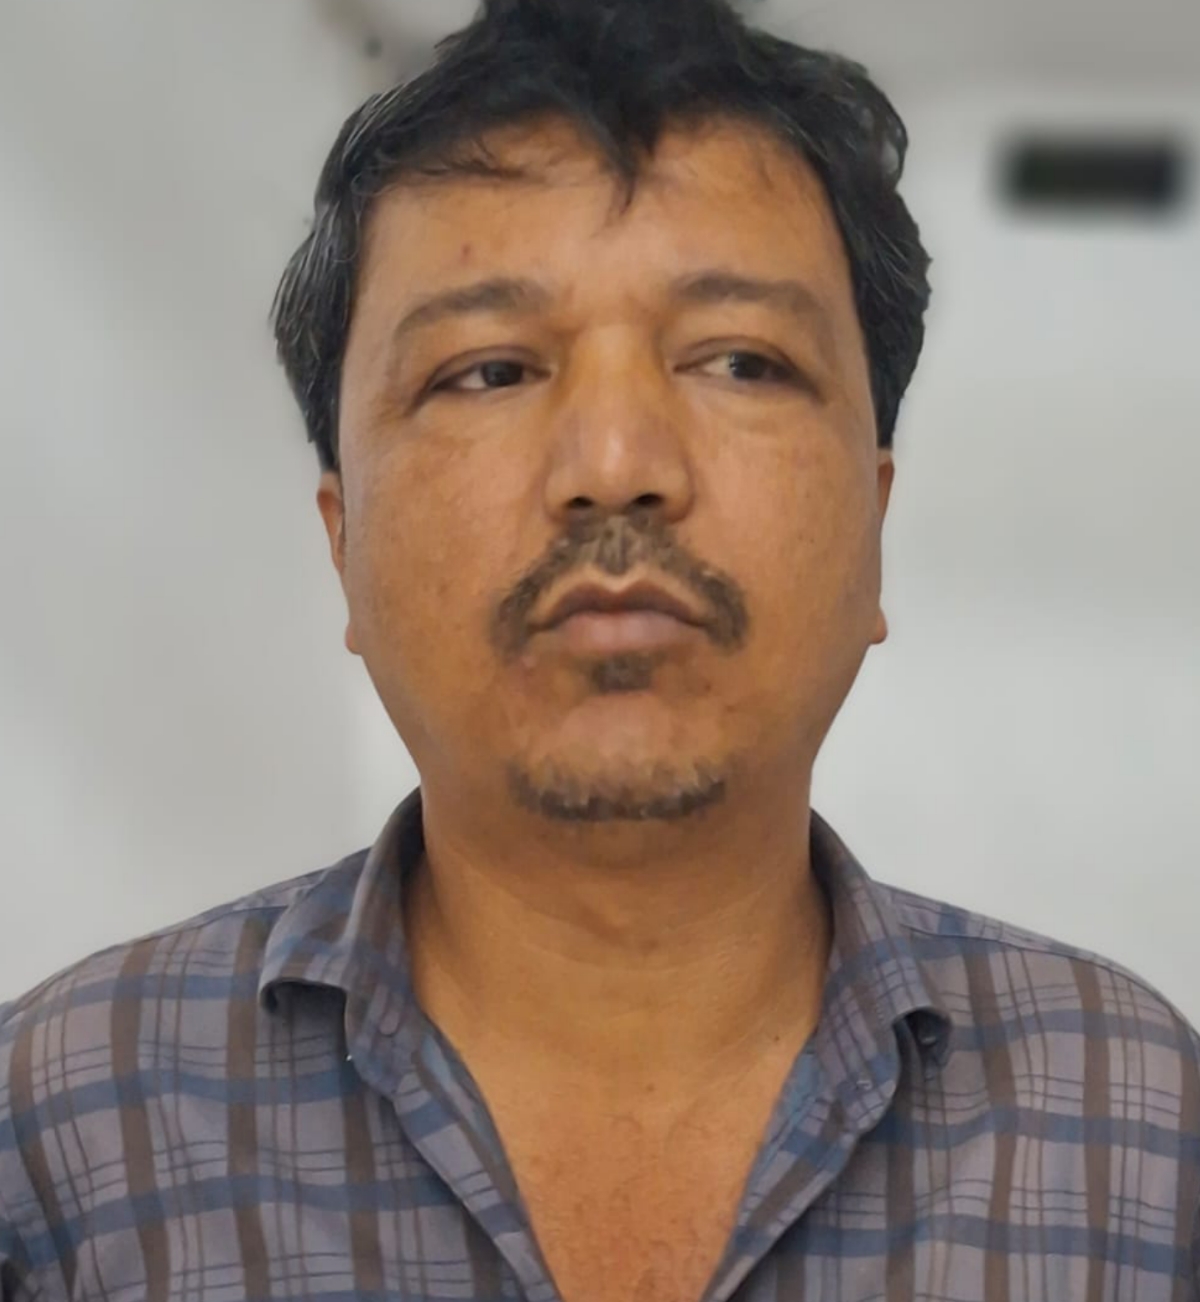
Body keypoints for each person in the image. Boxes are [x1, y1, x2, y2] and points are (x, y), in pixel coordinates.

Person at [3, 0, 1198, 1297]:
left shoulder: (1134, 1131)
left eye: (740, 360)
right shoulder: (64, 1140)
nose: (617, 463)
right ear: (342, 543)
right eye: (489, 370)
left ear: (875, 520)